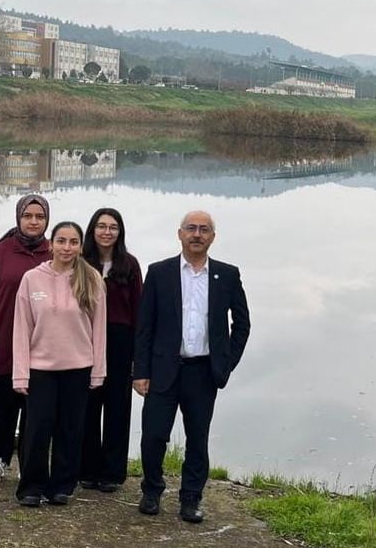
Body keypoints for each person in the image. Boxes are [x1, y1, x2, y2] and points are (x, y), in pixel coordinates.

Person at [133, 210, 251, 523]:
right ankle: (152, 490)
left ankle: (191, 498)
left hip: (203, 372)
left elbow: (242, 324)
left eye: (204, 229)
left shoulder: (227, 275)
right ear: (180, 234)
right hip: (163, 369)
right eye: (191, 228)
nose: (197, 234)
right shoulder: (159, 272)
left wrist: (226, 363)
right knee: (153, 436)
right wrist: (140, 371)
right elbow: (144, 326)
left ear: (213, 237)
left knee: (197, 439)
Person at [11, 221, 107, 507]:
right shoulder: (31, 279)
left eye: (73, 242)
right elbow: (22, 328)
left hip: (78, 368)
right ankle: (31, 487)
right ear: (51, 244)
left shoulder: (91, 279)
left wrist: (98, 371)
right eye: (61, 241)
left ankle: (62, 486)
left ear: (80, 246)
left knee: (70, 430)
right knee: (37, 430)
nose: (67, 247)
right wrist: (20, 374)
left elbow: (99, 329)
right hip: (40, 369)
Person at [0, 194, 51, 484]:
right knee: (5, 407)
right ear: (18, 218)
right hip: (3, 347)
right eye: (28, 216)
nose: (33, 222)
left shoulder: (54, 253)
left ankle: (30, 465)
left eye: (39, 217)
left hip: (41, 350)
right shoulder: (0, 253)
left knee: (35, 411)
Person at [79, 208, 143, 492]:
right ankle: (87, 468)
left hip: (120, 341)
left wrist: (138, 355)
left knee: (117, 407)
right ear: (92, 230)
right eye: (102, 226)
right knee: (88, 405)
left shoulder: (129, 264)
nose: (107, 232)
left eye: (113, 227)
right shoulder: (81, 262)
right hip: (86, 339)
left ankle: (113, 472)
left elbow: (139, 309)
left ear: (120, 232)